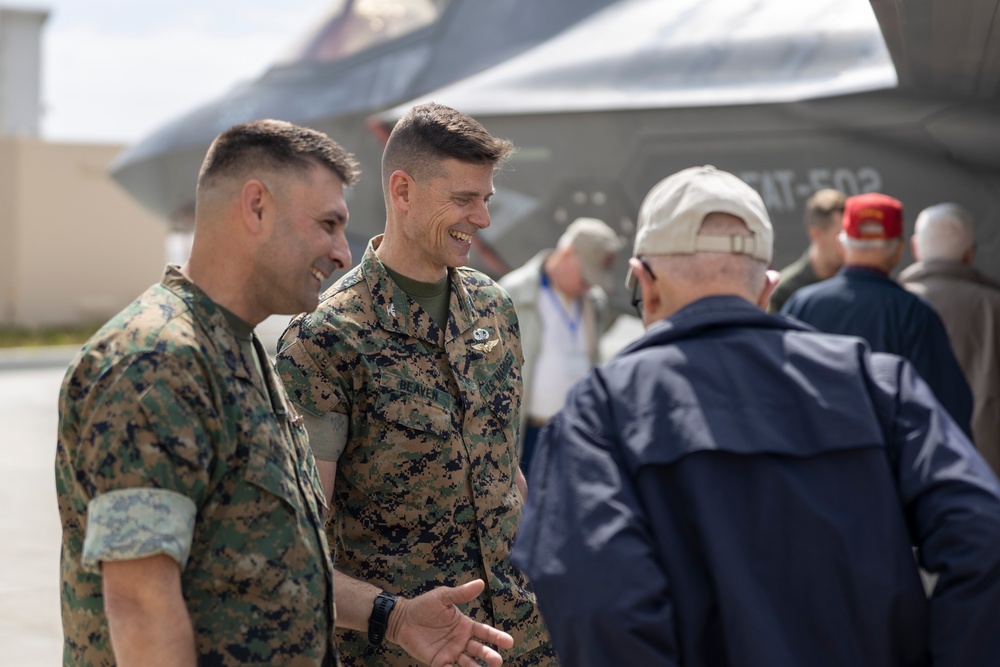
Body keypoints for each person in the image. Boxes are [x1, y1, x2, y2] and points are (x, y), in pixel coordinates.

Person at [56, 119, 513, 667]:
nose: (343, 254)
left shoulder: (237, 353)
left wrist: (392, 617)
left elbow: (287, 562)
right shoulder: (157, 362)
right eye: (326, 224)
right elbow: (140, 604)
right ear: (256, 208)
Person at [511, 165, 1000, 667]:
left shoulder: (599, 413)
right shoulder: (877, 384)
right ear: (767, 289)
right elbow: (985, 534)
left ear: (645, 284)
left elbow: (595, 597)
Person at [276, 103, 556, 666]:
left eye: (486, 199)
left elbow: (502, 471)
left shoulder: (494, 309)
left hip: (522, 644)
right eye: (463, 199)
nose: (483, 219)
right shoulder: (326, 340)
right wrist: (396, 619)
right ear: (402, 192)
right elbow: (294, 552)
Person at [781, 192, 973, 435]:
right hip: (890, 464)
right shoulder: (914, 313)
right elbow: (948, 410)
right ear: (899, 249)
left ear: (842, 244)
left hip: (816, 464)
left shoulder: (801, 305)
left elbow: (778, 392)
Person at [498, 217, 623, 477]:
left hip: (579, 430)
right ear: (567, 253)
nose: (590, 284)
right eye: (586, 275)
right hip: (531, 433)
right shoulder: (515, 292)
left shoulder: (593, 301)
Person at [899, 203, 1000, 468]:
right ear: (970, 253)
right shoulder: (992, 305)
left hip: (914, 458)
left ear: (914, 248)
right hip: (987, 461)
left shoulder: (895, 303)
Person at [767, 188, 846, 312]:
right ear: (816, 234)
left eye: (850, 234)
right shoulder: (784, 292)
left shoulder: (859, 284)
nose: (846, 241)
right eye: (840, 234)